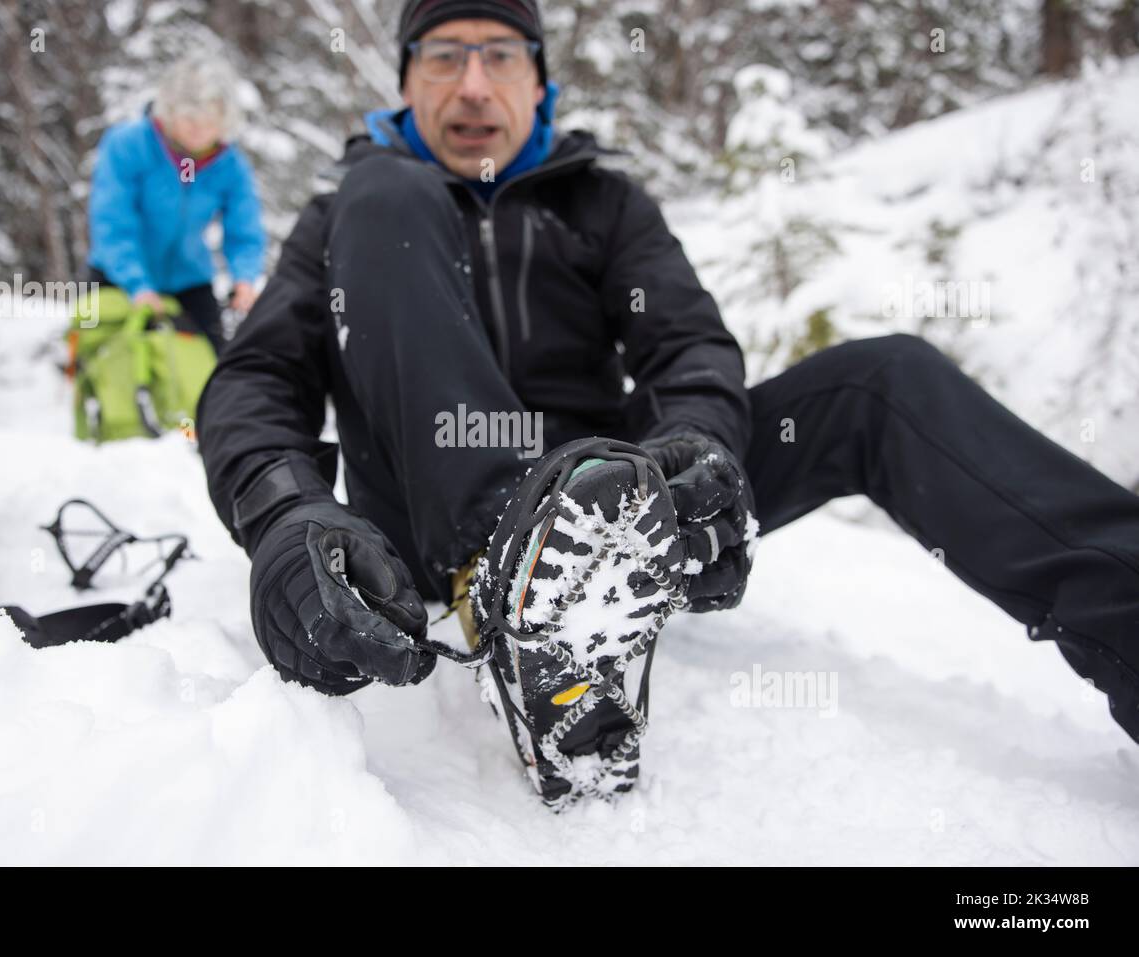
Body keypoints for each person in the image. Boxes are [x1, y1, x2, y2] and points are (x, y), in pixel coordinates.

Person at [196, 0, 1139, 803]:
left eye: (501, 58)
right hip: (426, 520)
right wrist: (286, 510)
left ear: (539, 84)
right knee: (384, 195)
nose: (473, 85)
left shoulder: (601, 203)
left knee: (878, 380)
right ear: (406, 83)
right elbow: (255, 378)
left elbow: (686, 343)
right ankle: (513, 574)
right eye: (445, 58)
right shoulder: (349, 215)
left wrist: (695, 441)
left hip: (621, 511)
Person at [86, 55, 267, 352]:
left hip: (188, 279)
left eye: (210, 121)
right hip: (117, 276)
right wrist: (138, 285)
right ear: (170, 112)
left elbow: (244, 229)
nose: (199, 130)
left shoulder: (230, 164)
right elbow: (113, 224)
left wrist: (244, 279)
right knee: (119, 369)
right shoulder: (128, 145)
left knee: (213, 368)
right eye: (190, 119)